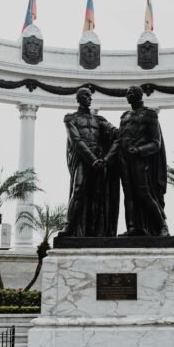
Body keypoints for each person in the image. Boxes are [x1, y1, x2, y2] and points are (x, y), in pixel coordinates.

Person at [60, 87, 120, 237]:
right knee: (78, 189)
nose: (90, 98)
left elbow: (115, 133)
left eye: (90, 96)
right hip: (83, 159)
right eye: (86, 95)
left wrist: (106, 157)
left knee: (98, 195)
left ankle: (95, 230)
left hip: (99, 160)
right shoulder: (70, 118)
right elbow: (76, 141)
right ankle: (69, 225)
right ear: (79, 98)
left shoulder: (99, 119)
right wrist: (92, 159)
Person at [116, 86, 169, 237]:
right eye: (127, 93)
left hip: (141, 160)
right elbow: (119, 138)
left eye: (131, 93)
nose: (127, 95)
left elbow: (156, 143)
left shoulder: (150, 114)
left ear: (139, 95)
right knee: (129, 195)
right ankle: (133, 228)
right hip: (124, 160)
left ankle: (162, 226)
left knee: (144, 192)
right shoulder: (124, 116)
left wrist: (139, 150)